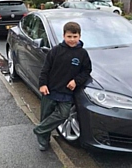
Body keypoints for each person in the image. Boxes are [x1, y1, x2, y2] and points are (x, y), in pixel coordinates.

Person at [33, 21, 92, 151]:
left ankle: (39, 129)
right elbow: (45, 69)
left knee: (64, 114)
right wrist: (42, 84)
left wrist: (76, 81)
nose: (72, 40)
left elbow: (86, 71)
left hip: (66, 92)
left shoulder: (82, 54)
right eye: (69, 36)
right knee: (46, 116)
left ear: (80, 36)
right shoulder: (55, 51)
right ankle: (44, 140)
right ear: (64, 36)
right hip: (50, 89)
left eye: (75, 37)